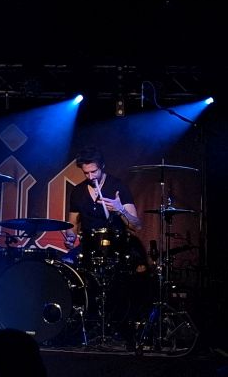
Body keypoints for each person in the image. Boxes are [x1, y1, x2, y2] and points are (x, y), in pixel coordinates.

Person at [63, 146, 148, 345]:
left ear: (102, 166)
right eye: (86, 173)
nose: (90, 176)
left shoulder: (117, 187)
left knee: (125, 281)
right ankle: (79, 325)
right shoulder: (78, 192)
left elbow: (136, 225)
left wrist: (120, 210)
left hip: (117, 246)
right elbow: (72, 225)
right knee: (66, 265)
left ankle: (123, 326)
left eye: (94, 171)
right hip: (89, 247)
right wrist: (69, 237)